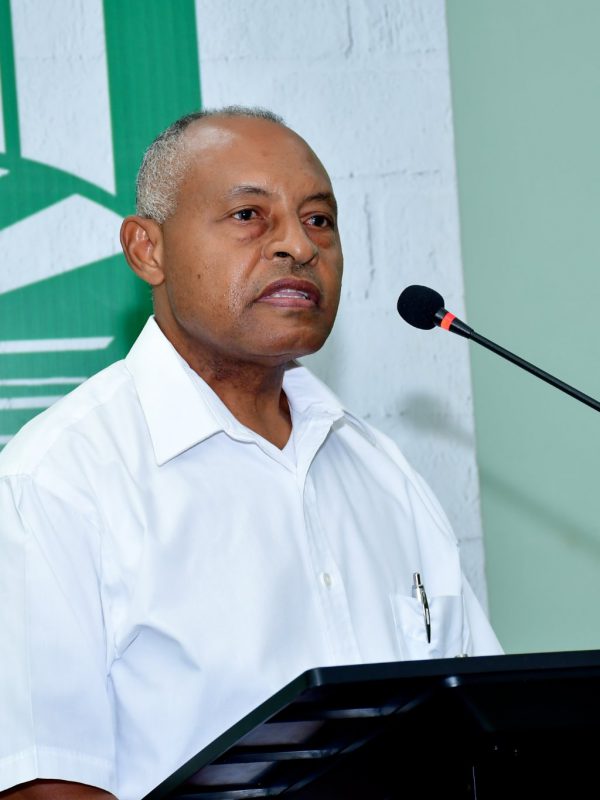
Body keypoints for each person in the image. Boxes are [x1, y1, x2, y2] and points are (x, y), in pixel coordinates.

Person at [0, 107, 502, 800]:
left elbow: (484, 728)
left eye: (319, 220)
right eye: (248, 216)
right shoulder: (56, 481)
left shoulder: (379, 470)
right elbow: (42, 784)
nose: (298, 245)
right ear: (148, 250)